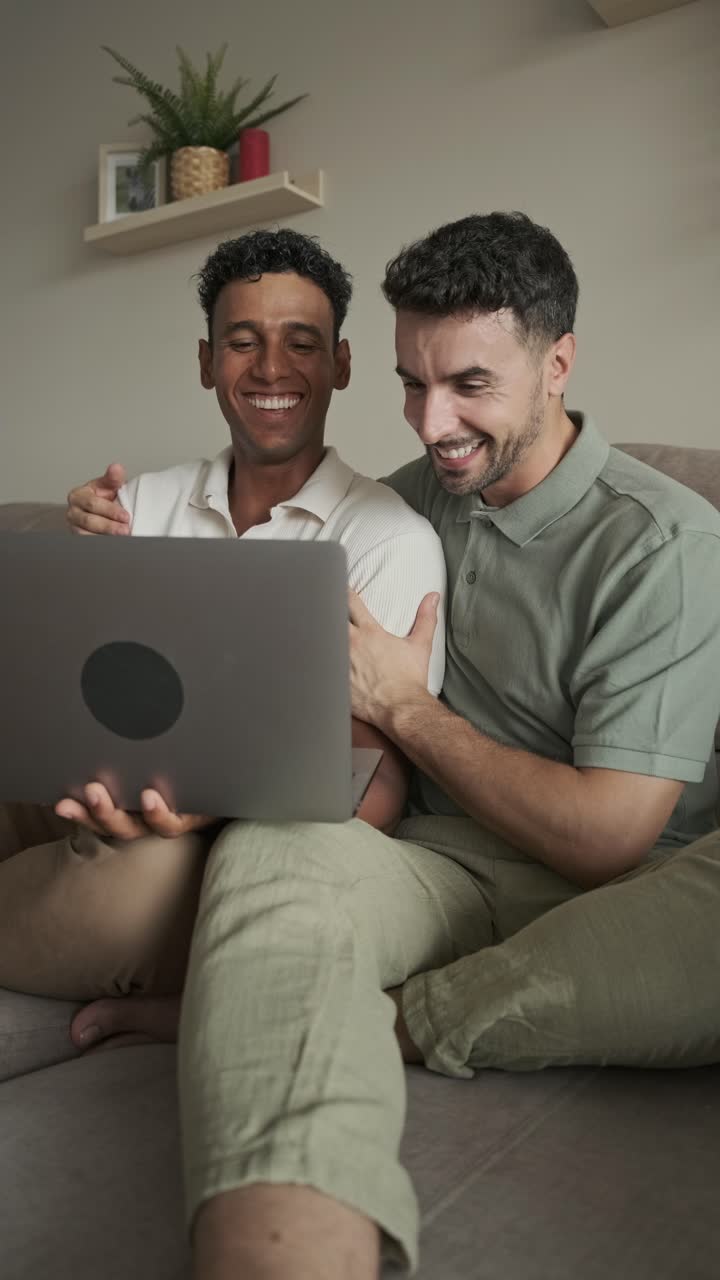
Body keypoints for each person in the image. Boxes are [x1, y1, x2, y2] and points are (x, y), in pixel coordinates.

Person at [66, 212, 720, 1280]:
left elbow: (607, 837)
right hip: (435, 859)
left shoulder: (666, 542)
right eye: (413, 385)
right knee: (276, 849)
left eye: (468, 383)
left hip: (635, 885)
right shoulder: (403, 506)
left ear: (559, 361)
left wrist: (411, 711)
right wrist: (105, 542)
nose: (431, 421)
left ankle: (382, 1015)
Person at [0, 228, 447, 1015]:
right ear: (206, 362)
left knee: (136, 889)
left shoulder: (388, 540)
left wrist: (206, 806)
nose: (271, 368)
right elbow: (68, 686)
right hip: (91, 780)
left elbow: (374, 796)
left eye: (300, 343)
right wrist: (75, 565)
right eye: (242, 342)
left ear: (340, 364)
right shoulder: (140, 505)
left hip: (214, 843)